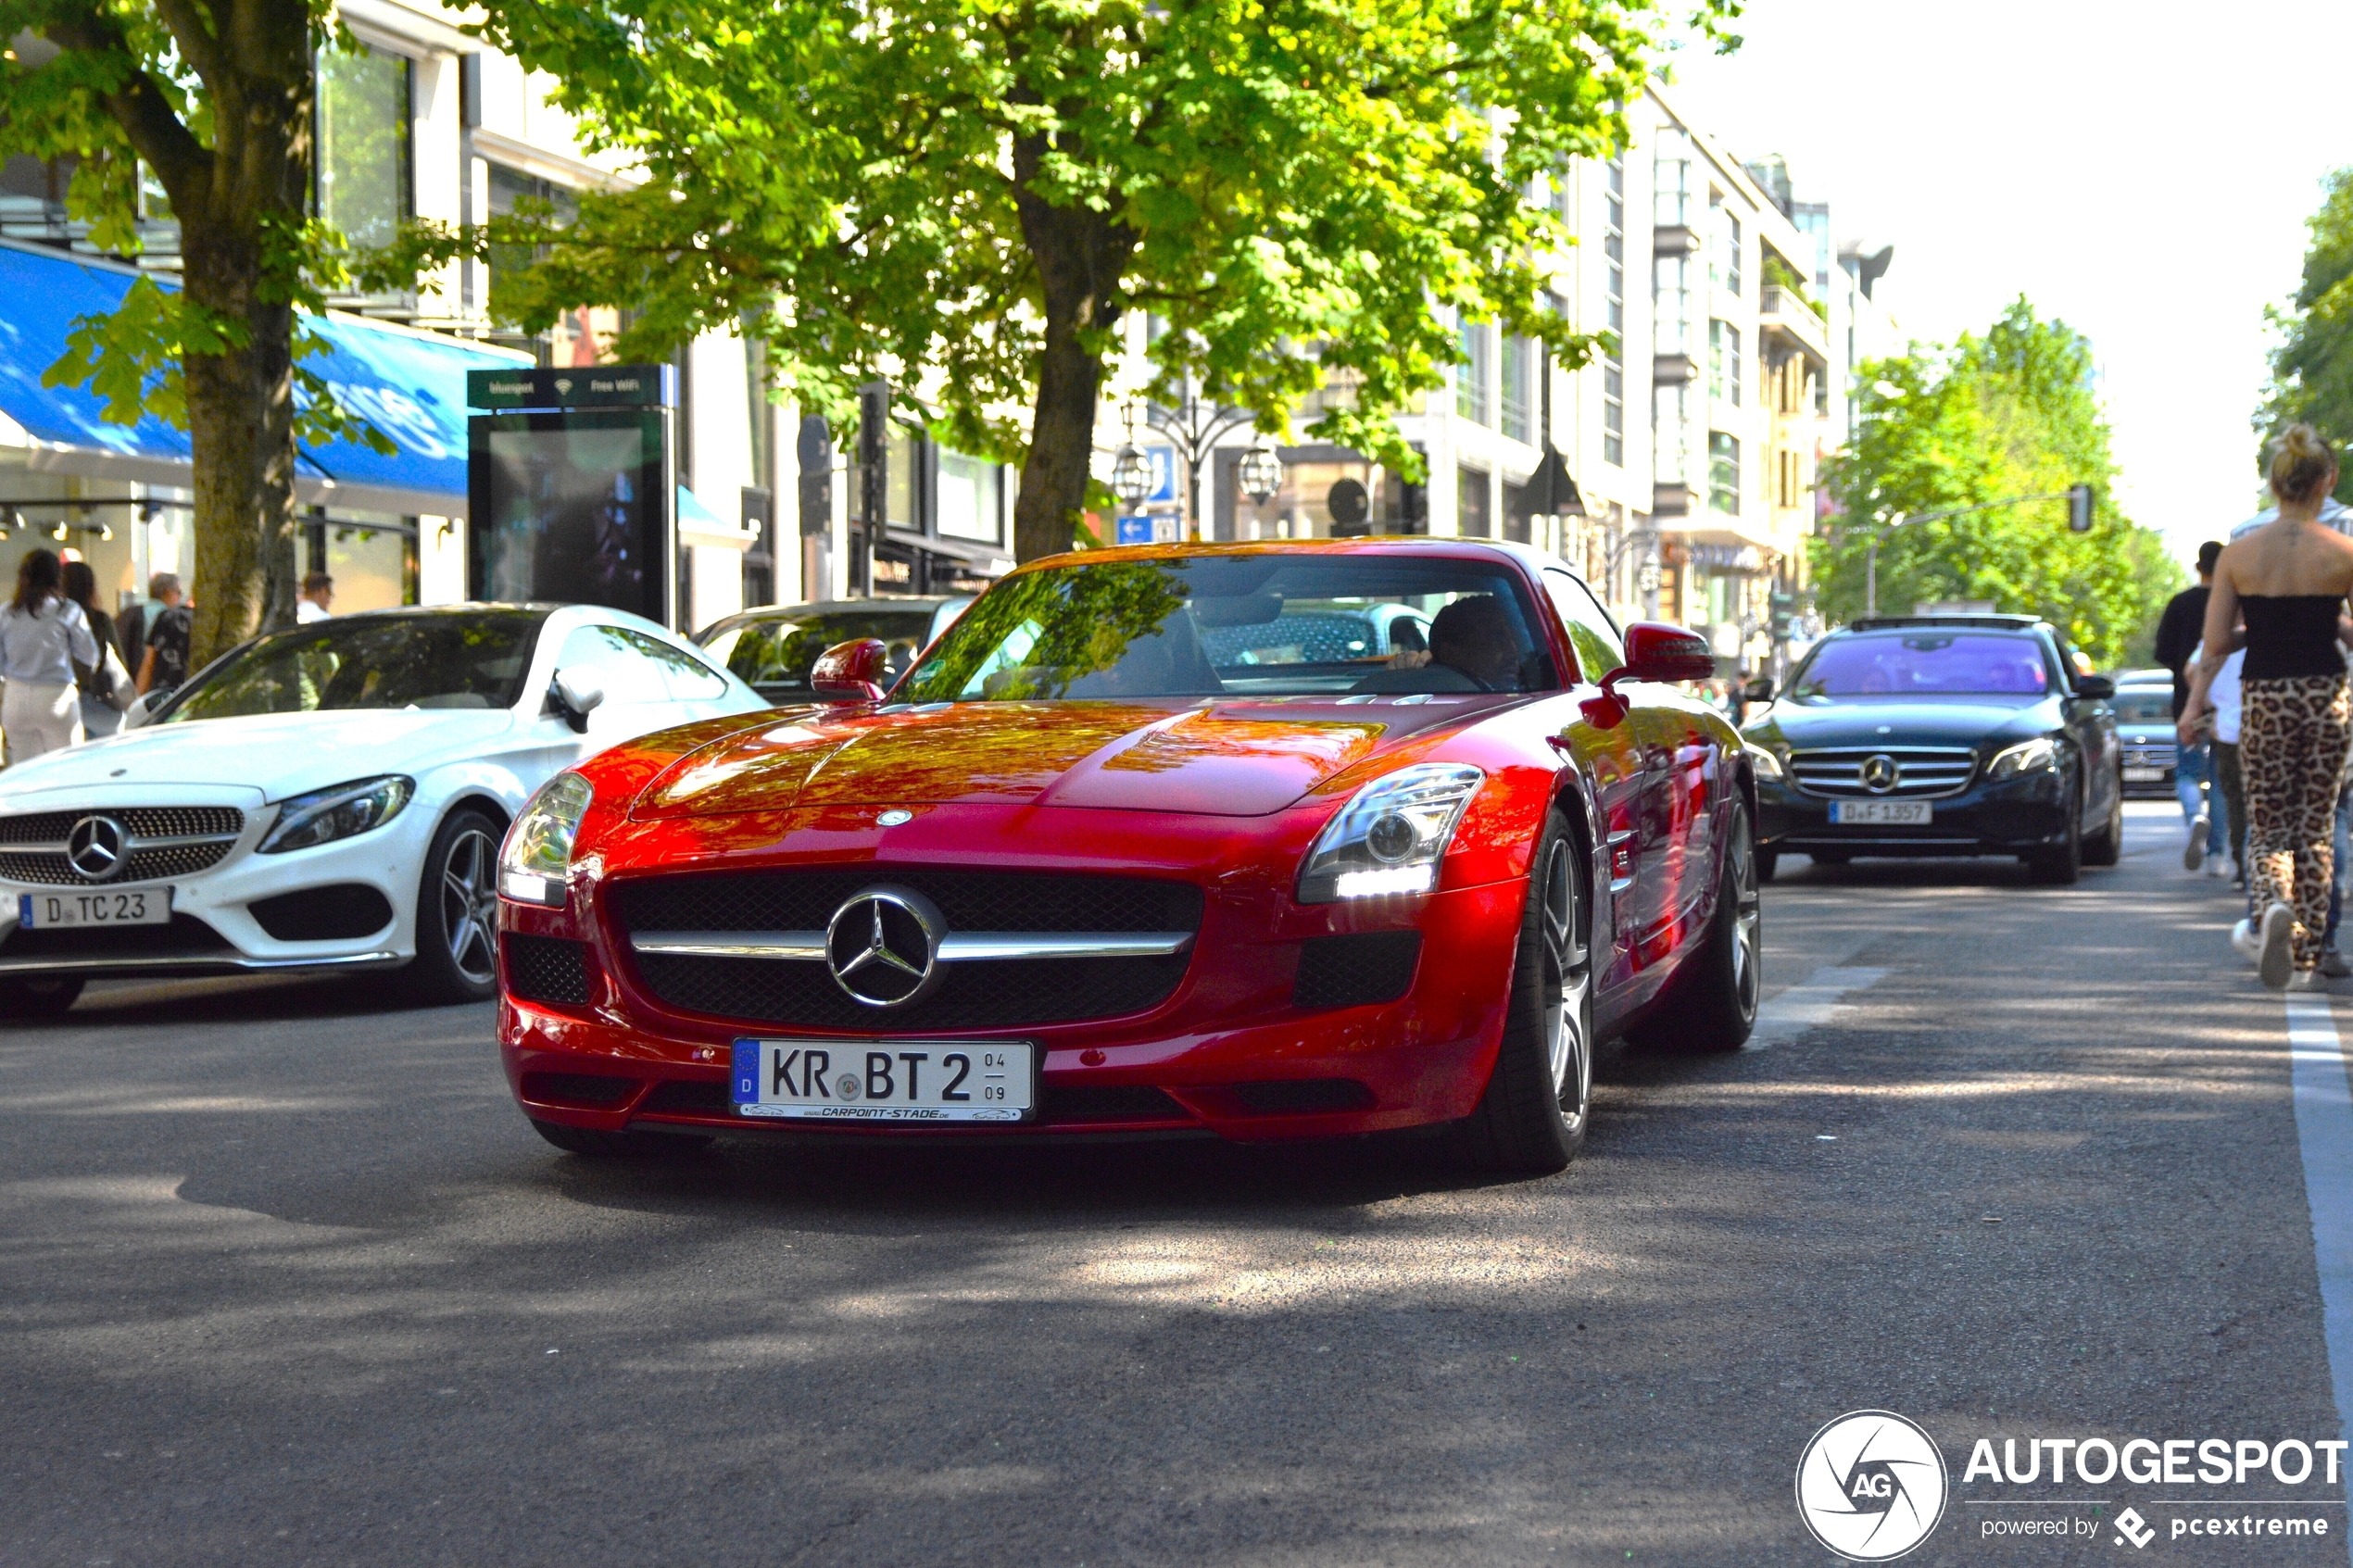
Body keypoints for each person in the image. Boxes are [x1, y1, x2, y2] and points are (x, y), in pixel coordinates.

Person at [2183, 425, 2353, 990]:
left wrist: (2195, 709)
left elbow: (2213, 647)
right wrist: (2332, 621)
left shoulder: (2239, 555)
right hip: (2327, 696)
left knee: (2268, 825)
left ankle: (2273, 908)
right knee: (2317, 828)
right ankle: (2305, 951)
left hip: (2264, 698)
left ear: (2274, 484)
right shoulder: (2344, 552)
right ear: (2325, 482)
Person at [2158, 540, 2225, 870]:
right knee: (2221, 779)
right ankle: (2216, 856)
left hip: (2187, 706)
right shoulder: (2233, 606)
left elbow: (2166, 655)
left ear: (2198, 568)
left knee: (2186, 772)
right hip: (2226, 706)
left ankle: (2195, 814)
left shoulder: (2180, 603)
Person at [0, 548, 100, 764]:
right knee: (66, 766)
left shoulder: (5, 612)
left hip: (15, 697)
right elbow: (90, 655)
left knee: (25, 770)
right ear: (57, 577)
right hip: (56, 697)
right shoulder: (68, 610)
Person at [59, 560, 123, 740]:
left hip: (64, 701)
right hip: (102, 701)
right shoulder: (101, 620)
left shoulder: (56, 622)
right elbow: (119, 661)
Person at [135, 582, 194, 696]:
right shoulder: (211, 625)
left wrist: (136, 702)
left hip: (164, 697)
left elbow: (148, 664)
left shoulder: (167, 616)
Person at [118, 571, 180, 675]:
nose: (179, 598)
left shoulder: (128, 613)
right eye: (179, 592)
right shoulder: (170, 618)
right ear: (169, 592)